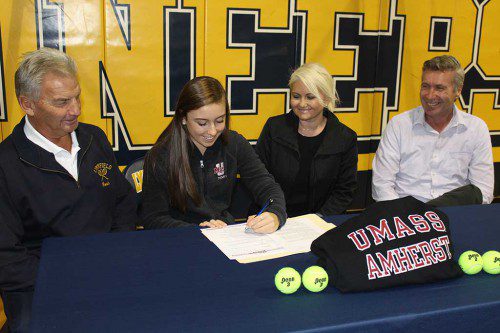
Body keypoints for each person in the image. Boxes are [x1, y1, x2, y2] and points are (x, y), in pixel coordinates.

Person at [0, 48, 137, 332]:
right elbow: (6, 256)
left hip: (106, 266)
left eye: (76, 97)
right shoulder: (6, 164)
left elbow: (122, 200)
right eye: (62, 102)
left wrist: (116, 249)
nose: (75, 109)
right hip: (38, 284)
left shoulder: (94, 138)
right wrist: (66, 278)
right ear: (27, 104)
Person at [141, 76, 286, 233]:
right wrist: (197, 230)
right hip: (181, 240)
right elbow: (153, 218)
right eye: (202, 123)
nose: (212, 131)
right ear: (183, 118)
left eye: (219, 121)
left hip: (224, 234)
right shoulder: (160, 156)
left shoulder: (234, 143)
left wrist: (275, 214)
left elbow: (267, 186)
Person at [372, 55, 494, 205]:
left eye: (439, 88)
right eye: (425, 86)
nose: (430, 95)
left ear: (458, 91)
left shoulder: (476, 129)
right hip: (405, 216)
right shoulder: (399, 125)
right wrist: (402, 217)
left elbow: (483, 191)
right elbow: (382, 185)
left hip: (455, 214)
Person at [255, 63, 358, 217]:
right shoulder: (274, 128)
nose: (302, 104)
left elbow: (345, 190)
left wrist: (319, 219)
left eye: (310, 97)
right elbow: (258, 177)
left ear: (326, 97)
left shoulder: (345, 137)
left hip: (324, 221)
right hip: (273, 217)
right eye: (296, 96)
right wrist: (275, 214)